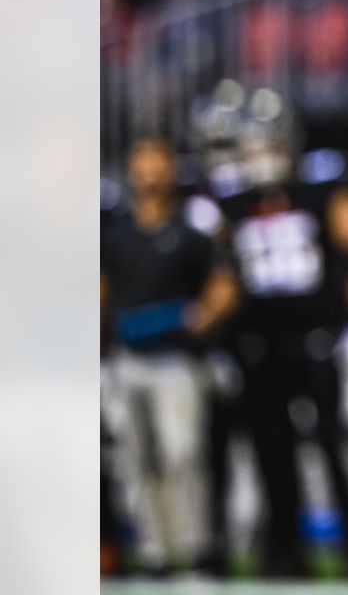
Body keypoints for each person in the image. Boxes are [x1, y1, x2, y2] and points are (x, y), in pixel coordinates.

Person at [217, 106, 348, 578]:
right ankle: (284, 550)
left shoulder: (319, 190)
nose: (262, 156)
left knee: (333, 445)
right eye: (254, 146)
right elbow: (219, 271)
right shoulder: (231, 203)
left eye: (270, 144)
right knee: (271, 450)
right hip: (259, 339)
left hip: (316, 335)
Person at [100, 139, 238, 575]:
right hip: (128, 360)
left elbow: (221, 284)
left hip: (178, 359)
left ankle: (195, 546)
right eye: (143, 167)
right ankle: (155, 549)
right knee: (136, 459)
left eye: (158, 166)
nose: (150, 176)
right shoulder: (117, 234)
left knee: (182, 454)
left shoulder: (192, 233)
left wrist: (205, 316)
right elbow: (101, 291)